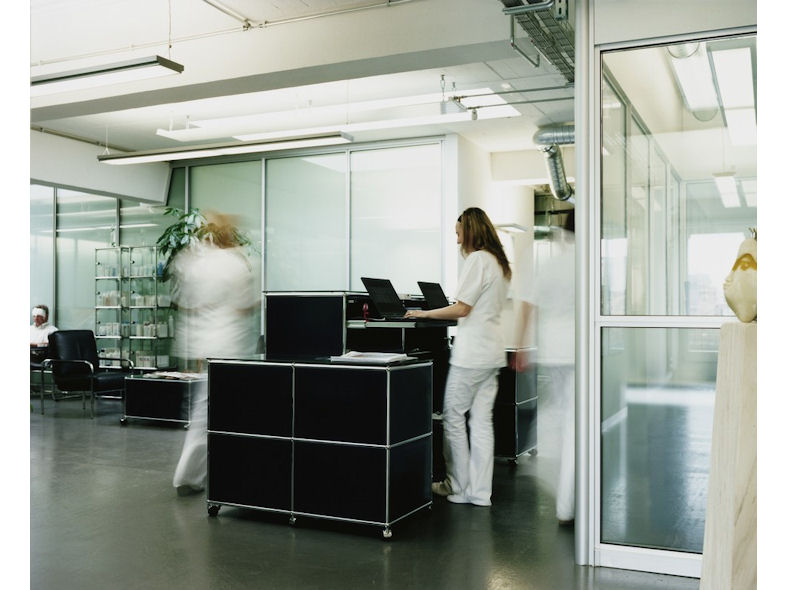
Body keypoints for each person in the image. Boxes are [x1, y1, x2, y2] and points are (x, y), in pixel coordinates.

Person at [405, 207, 511, 506]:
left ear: (471, 231)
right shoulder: (499, 263)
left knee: (452, 417)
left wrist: (424, 312)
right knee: (481, 422)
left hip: (472, 355)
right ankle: (479, 493)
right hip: (491, 354)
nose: (456, 240)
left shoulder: (478, 260)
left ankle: (457, 487)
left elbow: (462, 308)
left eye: (458, 232)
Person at [170, 211, 257, 495]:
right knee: (226, 414)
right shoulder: (235, 263)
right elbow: (246, 305)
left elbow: (185, 305)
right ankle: (212, 475)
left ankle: (197, 475)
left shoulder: (194, 261)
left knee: (206, 412)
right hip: (230, 347)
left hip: (206, 345)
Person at [513, 209, 575, 525]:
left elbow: (528, 305)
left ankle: (567, 493)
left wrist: (522, 346)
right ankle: (569, 503)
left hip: (553, 350)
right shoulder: (587, 262)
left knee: (564, 416)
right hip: (579, 351)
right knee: (574, 423)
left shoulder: (551, 263)